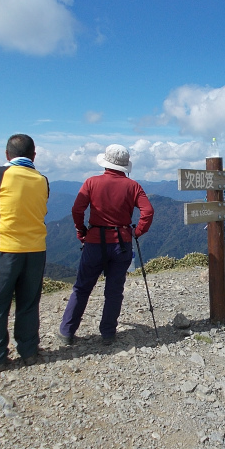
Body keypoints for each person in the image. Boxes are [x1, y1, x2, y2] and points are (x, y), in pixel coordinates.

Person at [58, 144, 154, 345]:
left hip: (94, 241)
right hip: (122, 243)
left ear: (105, 162)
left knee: (82, 288)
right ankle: (108, 332)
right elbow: (148, 211)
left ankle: (67, 332)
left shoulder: (91, 182)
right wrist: (136, 232)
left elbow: (77, 209)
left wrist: (80, 229)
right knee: (114, 290)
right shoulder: (133, 186)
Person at [0, 134, 49, 372]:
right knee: (29, 302)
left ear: (7, 154)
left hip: (4, 248)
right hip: (36, 249)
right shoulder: (42, 179)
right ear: (33, 155)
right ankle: (29, 351)